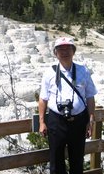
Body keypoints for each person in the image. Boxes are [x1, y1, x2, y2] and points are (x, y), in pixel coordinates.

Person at [38, 37, 97, 174]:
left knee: (77, 162)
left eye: (68, 49)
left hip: (78, 121)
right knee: (56, 162)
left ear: (73, 51)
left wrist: (91, 118)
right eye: (60, 49)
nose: (64, 52)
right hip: (56, 122)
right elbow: (43, 98)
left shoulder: (83, 71)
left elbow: (90, 96)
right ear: (55, 53)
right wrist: (42, 122)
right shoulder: (49, 73)